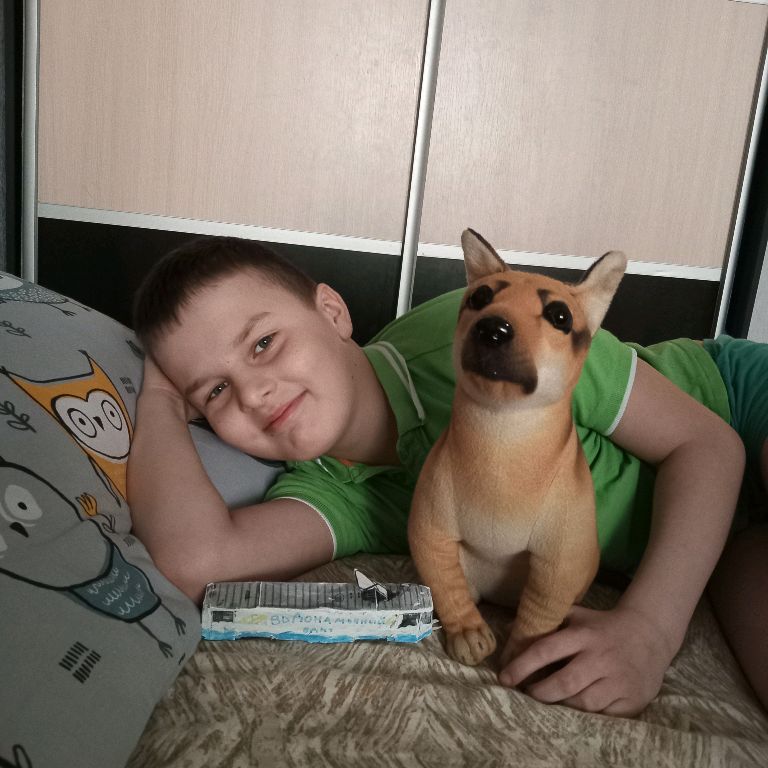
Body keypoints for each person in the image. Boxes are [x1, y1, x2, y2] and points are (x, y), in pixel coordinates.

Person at [127, 235, 766, 717]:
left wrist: (651, 629)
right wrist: (156, 397)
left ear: (331, 312)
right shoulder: (333, 490)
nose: (254, 393)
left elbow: (709, 445)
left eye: (264, 343)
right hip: (721, 531)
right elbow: (197, 561)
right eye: (214, 391)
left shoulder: (464, 332)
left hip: (730, 406)